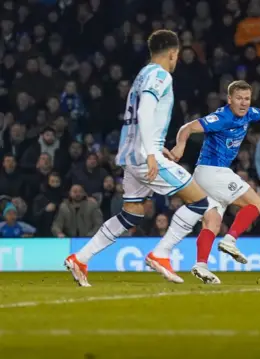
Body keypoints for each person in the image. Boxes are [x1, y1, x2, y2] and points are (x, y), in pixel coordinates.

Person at [64, 30, 215, 287]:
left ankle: (81, 258)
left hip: (132, 155)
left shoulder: (142, 75)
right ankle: (161, 253)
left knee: (132, 214)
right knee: (200, 202)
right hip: (145, 157)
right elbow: (145, 110)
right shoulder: (160, 75)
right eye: (177, 55)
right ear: (172, 53)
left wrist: (155, 148)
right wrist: (153, 154)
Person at [169, 80, 260, 280]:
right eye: (239, 98)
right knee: (256, 203)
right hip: (213, 171)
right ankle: (230, 240)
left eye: (247, 99)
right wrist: (180, 146)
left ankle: (200, 265)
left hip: (207, 175)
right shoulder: (222, 117)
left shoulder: (248, 113)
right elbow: (187, 127)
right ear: (229, 99)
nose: (244, 103)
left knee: (212, 222)